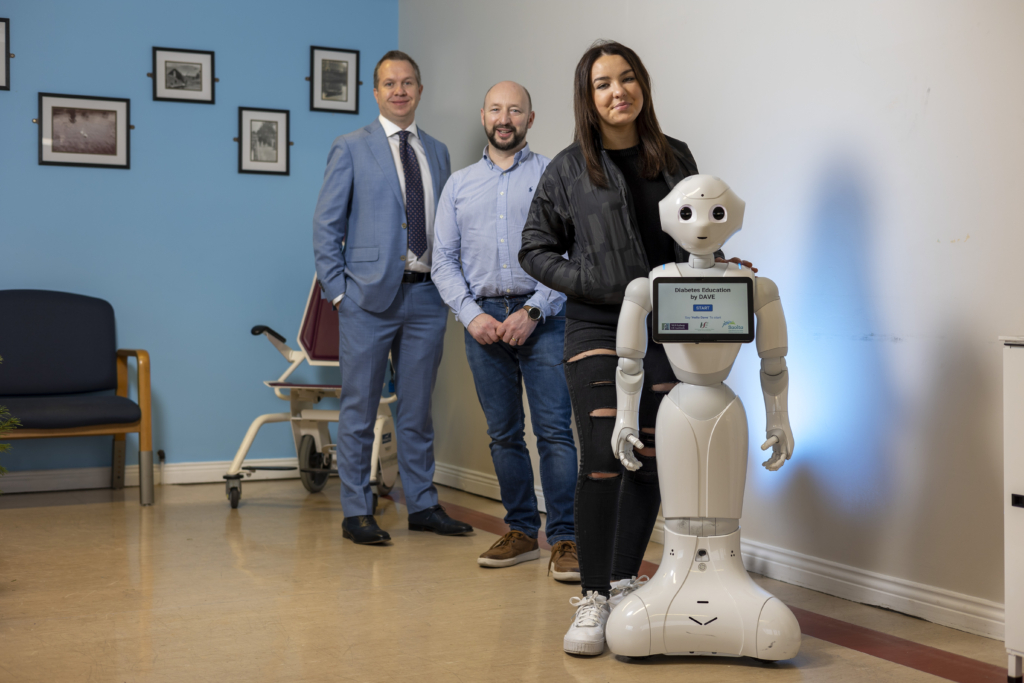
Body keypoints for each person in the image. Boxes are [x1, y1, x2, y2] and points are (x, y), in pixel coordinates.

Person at [519, 40, 756, 654]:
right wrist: (598, 284)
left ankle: (625, 583)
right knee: (602, 453)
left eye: (627, 79)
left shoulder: (675, 158)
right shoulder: (568, 168)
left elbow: (693, 237)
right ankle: (593, 598)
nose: (617, 91)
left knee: (654, 455)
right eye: (603, 84)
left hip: (670, 329)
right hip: (598, 328)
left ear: (642, 86)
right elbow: (535, 248)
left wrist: (722, 266)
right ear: (587, 96)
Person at [313, 50, 472, 545]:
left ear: (419, 91)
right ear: (376, 92)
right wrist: (340, 296)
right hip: (366, 300)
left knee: (417, 410)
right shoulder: (350, 147)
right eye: (389, 83)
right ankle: (357, 510)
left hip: (427, 299)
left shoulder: (439, 151)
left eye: (408, 82)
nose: (399, 90)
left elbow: (445, 228)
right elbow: (325, 227)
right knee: (360, 410)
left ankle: (422, 504)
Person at [432, 81, 580, 581]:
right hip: (483, 321)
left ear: (530, 119)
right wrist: (472, 315)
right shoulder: (458, 185)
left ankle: (566, 540)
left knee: (556, 433)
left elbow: (572, 255)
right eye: (496, 109)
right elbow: (444, 262)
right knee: (503, 435)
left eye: (515, 110)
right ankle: (520, 532)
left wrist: (535, 310)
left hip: (545, 319)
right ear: (482, 116)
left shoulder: (554, 176)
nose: (505, 118)